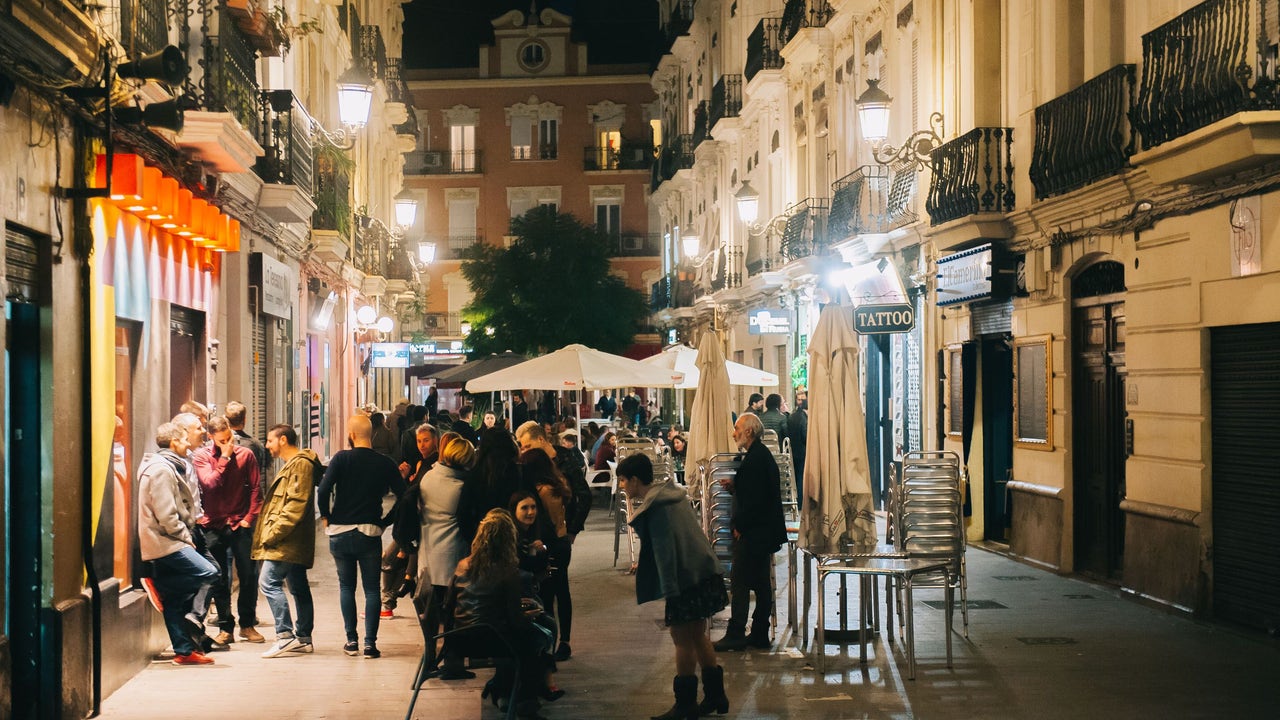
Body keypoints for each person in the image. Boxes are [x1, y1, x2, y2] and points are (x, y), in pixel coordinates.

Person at [618, 453, 729, 720]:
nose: (621, 487)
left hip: (685, 580)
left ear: (634, 480)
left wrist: (669, 591)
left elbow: (665, 552)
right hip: (703, 574)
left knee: (681, 639)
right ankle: (715, 696)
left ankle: (686, 705)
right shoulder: (672, 495)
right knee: (697, 635)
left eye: (622, 481)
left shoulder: (656, 507)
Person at [446, 509, 556, 719]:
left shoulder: (462, 566)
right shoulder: (508, 571)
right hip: (493, 641)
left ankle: (501, 690)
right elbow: (515, 622)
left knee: (523, 640)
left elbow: (449, 605)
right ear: (508, 540)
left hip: (460, 640)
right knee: (535, 640)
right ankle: (526, 703)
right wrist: (529, 614)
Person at [317, 414, 407, 659]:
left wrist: (326, 515)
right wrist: (386, 521)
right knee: (371, 590)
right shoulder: (385, 463)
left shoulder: (341, 459)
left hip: (340, 532)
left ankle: (351, 641)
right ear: (372, 434)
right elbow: (404, 496)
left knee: (346, 586)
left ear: (352, 434)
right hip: (369, 532)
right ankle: (370, 644)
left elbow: (324, 489)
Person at [138, 421, 220, 665]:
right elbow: (166, 514)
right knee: (210, 572)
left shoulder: (166, 466)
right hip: (166, 541)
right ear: (174, 442)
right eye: (184, 440)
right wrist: (186, 538)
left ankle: (183, 651)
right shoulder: (161, 470)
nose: (189, 445)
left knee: (174, 601)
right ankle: (160, 584)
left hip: (168, 538)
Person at [712, 413, 787, 652]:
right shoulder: (758, 456)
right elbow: (755, 491)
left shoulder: (755, 459)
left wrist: (739, 527)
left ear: (749, 432)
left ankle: (736, 633)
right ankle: (759, 633)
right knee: (762, 583)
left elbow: (756, 501)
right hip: (763, 532)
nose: (734, 433)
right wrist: (736, 487)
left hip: (754, 533)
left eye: (737, 428)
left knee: (741, 582)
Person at [190, 415, 264, 645]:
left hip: (239, 522)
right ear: (211, 437)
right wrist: (224, 458)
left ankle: (247, 624)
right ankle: (226, 627)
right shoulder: (201, 457)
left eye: (229, 438)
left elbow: (255, 488)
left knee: (249, 575)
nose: (228, 443)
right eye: (222, 440)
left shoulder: (246, 455)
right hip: (213, 524)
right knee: (220, 577)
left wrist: (249, 518)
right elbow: (210, 484)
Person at [254, 424, 321, 658]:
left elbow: (295, 505)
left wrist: (272, 533)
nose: (267, 445)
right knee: (298, 586)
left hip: (287, 541)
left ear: (283, 440)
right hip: (292, 540)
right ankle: (303, 638)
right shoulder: (295, 464)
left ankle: (285, 636)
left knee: (268, 582)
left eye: (270, 440)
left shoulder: (300, 464)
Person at [418, 433, 478, 678]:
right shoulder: (461, 487)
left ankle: (431, 659)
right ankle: (453, 664)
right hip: (452, 556)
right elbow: (467, 523)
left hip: (428, 555)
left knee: (433, 615)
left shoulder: (428, 478)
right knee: (454, 614)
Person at [519, 447, 576, 663]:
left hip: (552, 545)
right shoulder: (558, 485)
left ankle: (555, 641)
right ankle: (563, 641)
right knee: (561, 591)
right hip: (562, 543)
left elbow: (547, 523)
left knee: (551, 593)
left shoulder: (543, 490)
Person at [382, 422, 439, 617]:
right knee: (394, 560)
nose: (422, 445)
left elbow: (416, 495)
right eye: (419, 441)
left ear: (436, 440)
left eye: (426, 440)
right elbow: (410, 494)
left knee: (391, 560)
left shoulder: (435, 464)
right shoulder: (420, 463)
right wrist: (406, 477)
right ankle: (390, 600)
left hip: (420, 523)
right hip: (411, 522)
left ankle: (388, 603)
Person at [224, 400, 270, 494]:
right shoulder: (256, 445)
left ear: (225, 420)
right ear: (244, 420)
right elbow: (261, 469)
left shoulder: (215, 444)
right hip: (247, 498)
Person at [786, 386, 809, 497]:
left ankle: (797, 499)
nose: (800, 401)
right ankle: (800, 501)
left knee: (796, 477)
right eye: (799, 399)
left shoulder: (791, 416)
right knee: (801, 477)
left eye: (801, 399)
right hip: (803, 452)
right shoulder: (803, 417)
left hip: (793, 451)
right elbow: (805, 435)